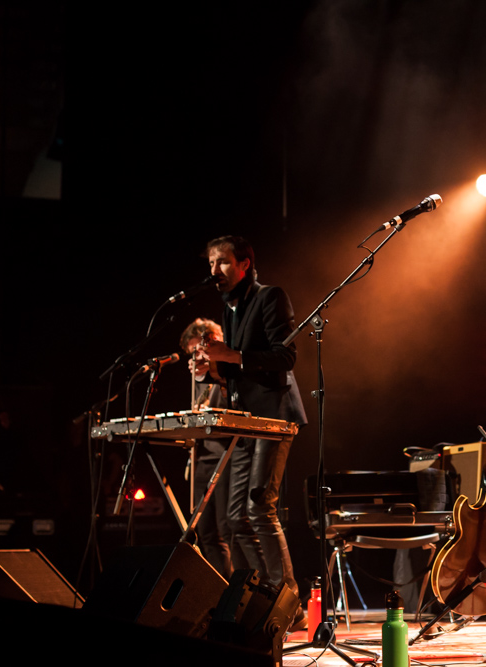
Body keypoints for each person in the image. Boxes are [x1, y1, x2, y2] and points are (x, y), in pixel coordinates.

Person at [189, 235, 308, 626]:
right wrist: (214, 371)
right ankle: (260, 599)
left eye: (222, 262)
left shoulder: (269, 296)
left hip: (274, 417)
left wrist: (232, 356)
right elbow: (241, 373)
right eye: (211, 264)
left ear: (244, 264)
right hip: (245, 419)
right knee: (235, 518)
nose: (214, 271)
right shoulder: (230, 308)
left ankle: (287, 601)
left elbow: (285, 356)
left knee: (260, 506)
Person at [179, 317, 247, 580]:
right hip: (201, 457)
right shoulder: (199, 379)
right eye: (193, 352)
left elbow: (233, 408)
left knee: (225, 526)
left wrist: (215, 370)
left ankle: (234, 590)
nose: (197, 356)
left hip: (225, 455)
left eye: (200, 349)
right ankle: (219, 589)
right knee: (203, 530)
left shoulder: (226, 369)